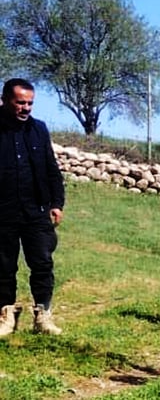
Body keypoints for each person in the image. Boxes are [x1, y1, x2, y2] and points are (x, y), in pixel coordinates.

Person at [0, 78, 65, 336]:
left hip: (36, 210)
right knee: (3, 266)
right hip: (3, 211)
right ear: (5, 100)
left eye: (30, 103)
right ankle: (5, 315)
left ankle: (42, 315)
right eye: (20, 102)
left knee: (42, 263)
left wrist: (57, 203)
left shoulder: (39, 129)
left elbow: (51, 169)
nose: (26, 108)